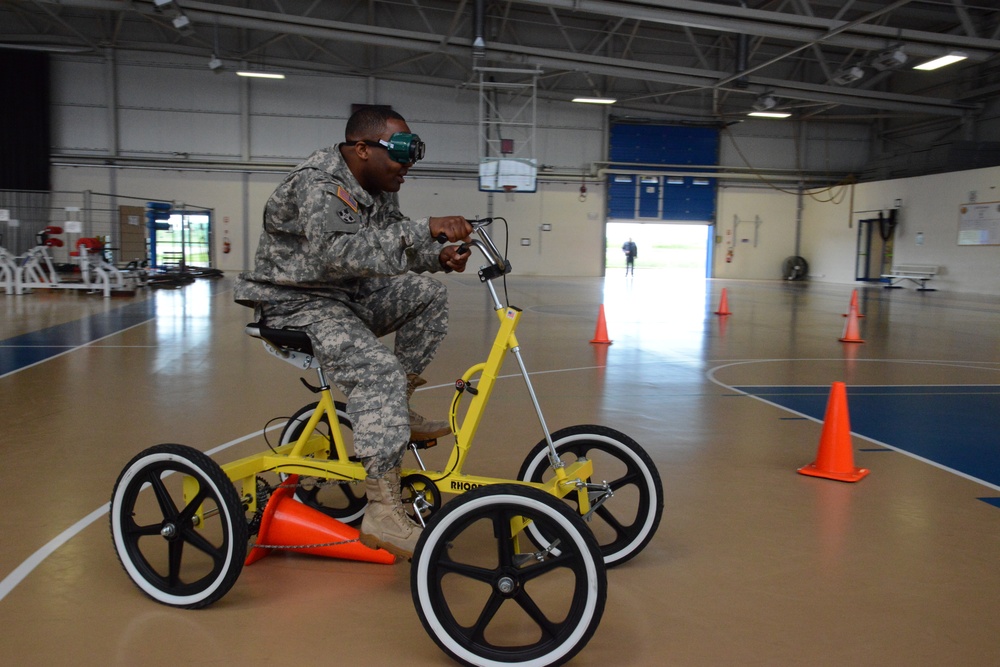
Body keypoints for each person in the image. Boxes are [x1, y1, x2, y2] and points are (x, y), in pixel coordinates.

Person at [235, 106, 473, 560]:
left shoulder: (376, 188)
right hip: (295, 303)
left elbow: (388, 245)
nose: (407, 166)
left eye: (412, 154)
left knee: (428, 294)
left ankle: (395, 407)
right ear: (361, 148)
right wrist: (427, 230)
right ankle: (383, 510)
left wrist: (435, 256)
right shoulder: (319, 182)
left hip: (343, 298)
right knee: (377, 369)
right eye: (400, 152)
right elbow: (340, 253)